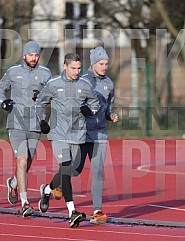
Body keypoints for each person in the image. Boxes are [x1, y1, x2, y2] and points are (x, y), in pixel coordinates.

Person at [35, 53, 100, 228]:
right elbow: (39, 103)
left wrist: (90, 111)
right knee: (65, 168)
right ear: (65, 66)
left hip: (78, 134)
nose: (77, 71)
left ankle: (47, 190)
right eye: (73, 68)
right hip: (58, 133)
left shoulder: (85, 85)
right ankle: (72, 212)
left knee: (74, 170)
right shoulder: (53, 84)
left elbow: (95, 104)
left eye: (79, 68)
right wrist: (42, 121)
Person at [0, 40, 52, 217]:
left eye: (36, 55)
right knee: (21, 159)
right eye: (30, 55)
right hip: (17, 122)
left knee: (28, 162)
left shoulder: (45, 73)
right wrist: (3, 102)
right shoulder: (13, 72)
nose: (34, 58)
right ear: (24, 55)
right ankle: (25, 202)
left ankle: (13, 183)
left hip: (36, 124)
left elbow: (52, 94)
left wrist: (46, 102)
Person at [73, 46, 118, 224]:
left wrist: (111, 115)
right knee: (75, 169)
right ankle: (52, 187)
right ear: (93, 64)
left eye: (106, 63)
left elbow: (109, 106)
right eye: (101, 63)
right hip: (82, 133)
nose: (104, 67)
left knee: (98, 172)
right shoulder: (82, 80)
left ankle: (97, 211)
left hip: (100, 134)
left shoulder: (109, 83)